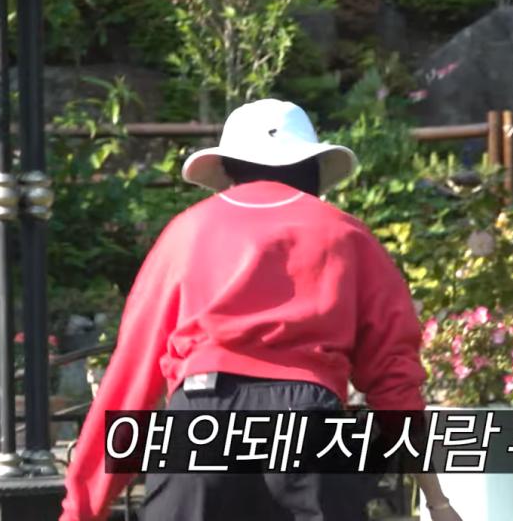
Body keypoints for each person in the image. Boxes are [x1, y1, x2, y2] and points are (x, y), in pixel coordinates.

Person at [59, 99, 463, 521]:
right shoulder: (348, 236)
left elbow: (133, 374)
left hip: (201, 415)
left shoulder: (187, 232)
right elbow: (394, 381)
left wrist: (80, 510)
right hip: (310, 422)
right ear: (313, 169)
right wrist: (437, 501)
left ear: (228, 169)